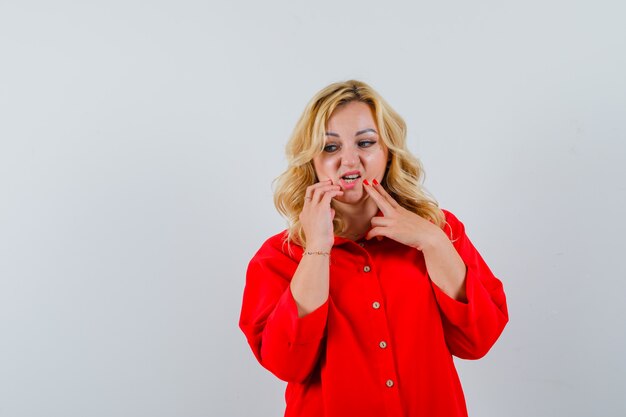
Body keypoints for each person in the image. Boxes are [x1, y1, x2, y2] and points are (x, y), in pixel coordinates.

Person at [239, 80, 508, 417]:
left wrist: (433, 242)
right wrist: (317, 249)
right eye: (330, 147)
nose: (349, 160)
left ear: (388, 152)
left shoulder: (439, 230)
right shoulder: (278, 257)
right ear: (311, 160)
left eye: (365, 143)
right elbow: (287, 364)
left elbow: (479, 340)